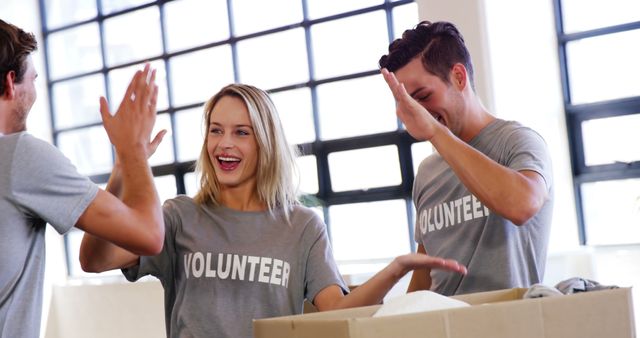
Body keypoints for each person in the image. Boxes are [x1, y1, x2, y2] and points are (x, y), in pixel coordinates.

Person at [79, 83, 468, 338]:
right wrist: (122, 169)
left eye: (241, 132)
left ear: (265, 142)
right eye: (215, 130)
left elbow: (336, 309)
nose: (223, 144)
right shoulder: (179, 217)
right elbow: (94, 259)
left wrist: (396, 269)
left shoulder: (301, 226)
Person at [0, 19, 165, 338]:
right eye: (33, 79)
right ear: (11, 82)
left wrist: (121, 167)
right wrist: (133, 151)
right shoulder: (20, 156)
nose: (34, 89)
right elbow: (149, 236)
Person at [378, 21, 553, 296]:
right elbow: (425, 275)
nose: (417, 112)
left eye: (423, 96)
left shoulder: (517, 140)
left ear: (459, 77)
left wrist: (435, 132)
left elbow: (522, 205)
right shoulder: (428, 172)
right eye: (407, 103)